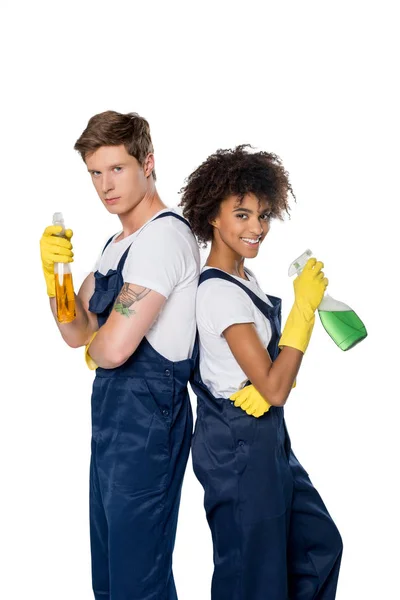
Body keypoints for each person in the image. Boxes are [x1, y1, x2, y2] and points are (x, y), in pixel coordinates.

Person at [39, 110, 200, 600]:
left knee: (138, 581)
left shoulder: (164, 238)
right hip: (115, 425)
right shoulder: (117, 244)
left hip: (150, 422)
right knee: (111, 577)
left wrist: (96, 344)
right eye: (95, 172)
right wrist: (57, 278)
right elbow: (76, 329)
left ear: (147, 163)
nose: (105, 185)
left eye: (117, 169)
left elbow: (112, 348)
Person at [179, 145, 343, 600]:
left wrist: (278, 376)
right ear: (213, 215)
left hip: (267, 438)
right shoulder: (218, 293)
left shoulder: (243, 282)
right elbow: (273, 387)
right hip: (237, 445)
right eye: (243, 214)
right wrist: (302, 313)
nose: (257, 228)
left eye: (264, 215)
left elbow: (270, 378)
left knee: (317, 544)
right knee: (252, 577)